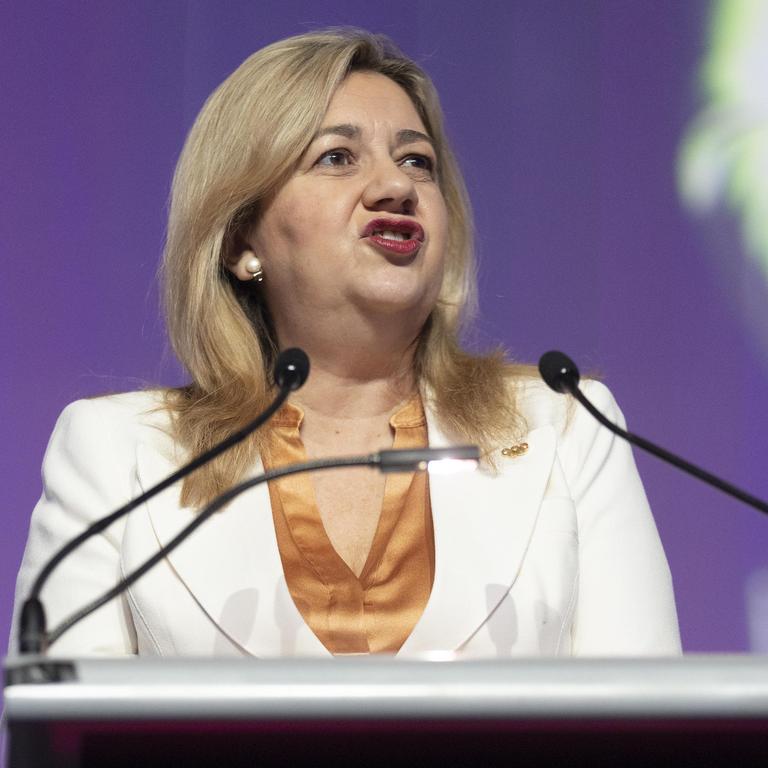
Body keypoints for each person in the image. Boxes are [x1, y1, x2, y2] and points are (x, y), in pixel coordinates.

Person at [11, 29, 680, 658]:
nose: (396, 187)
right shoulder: (116, 455)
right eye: (337, 157)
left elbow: (648, 726)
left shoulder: (564, 427)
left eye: (417, 161)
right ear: (243, 237)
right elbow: (62, 730)